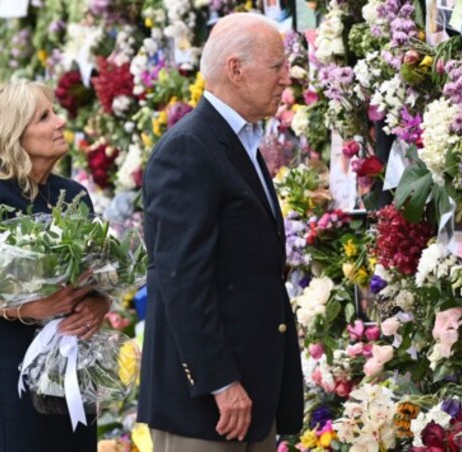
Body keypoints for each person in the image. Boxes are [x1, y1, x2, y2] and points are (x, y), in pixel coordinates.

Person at [137, 12, 303, 452]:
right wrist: (220, 381)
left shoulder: (239, 142)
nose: (288, 77)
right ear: (235, 69)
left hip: (250, 400)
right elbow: (181, 278)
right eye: (277, 67)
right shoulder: (188, 149)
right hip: (207, 409)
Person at [0, 81, 110, 451]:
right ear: (15, 135)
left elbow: (96, 280)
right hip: (15, 361)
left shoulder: (73, 195)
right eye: (45, 116)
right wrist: (34, 309)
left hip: (73, 356)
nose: (59, 122)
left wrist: (98, 305)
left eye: (54, 112)